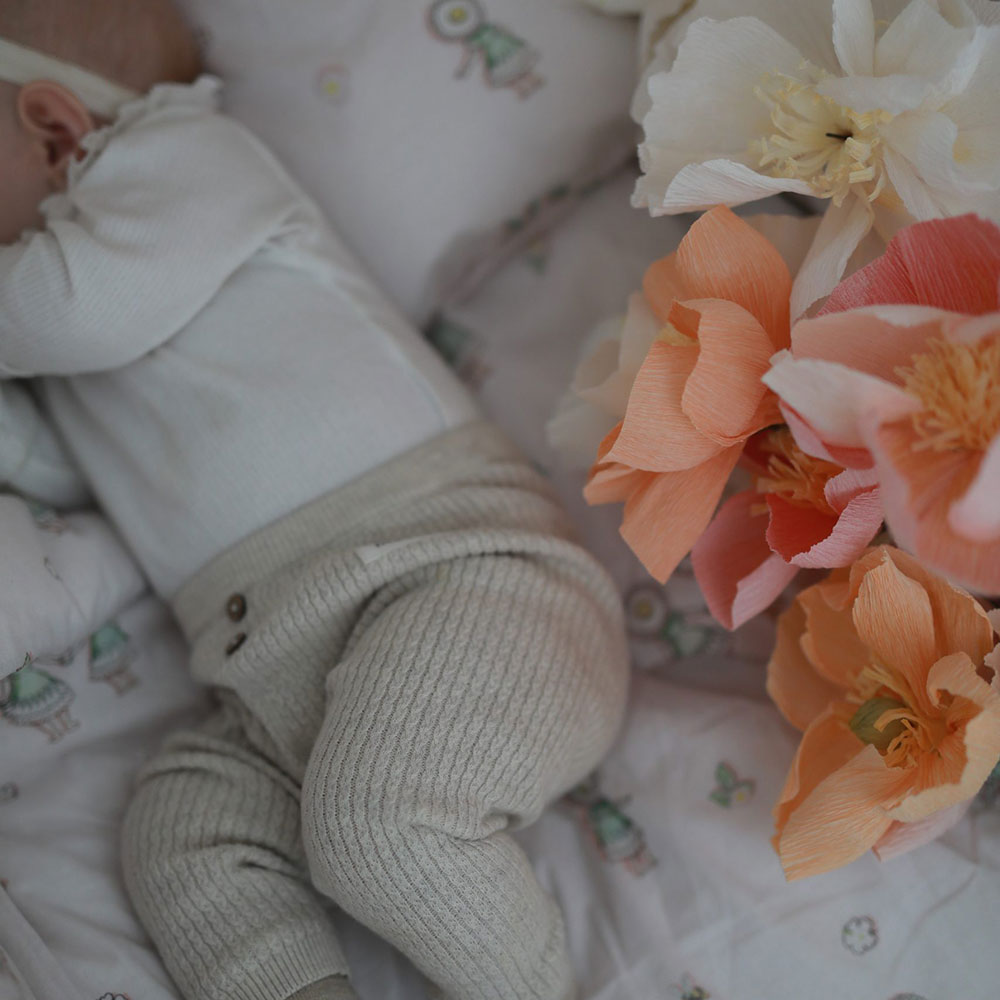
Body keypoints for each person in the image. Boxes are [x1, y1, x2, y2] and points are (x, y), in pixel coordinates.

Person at [0, 2, 630, 999]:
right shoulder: (58, 316)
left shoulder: (182, 161)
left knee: (377, 826)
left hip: (467, 580)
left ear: (54, 124)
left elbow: (76, 311)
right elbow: (69, 467)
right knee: (183, 836)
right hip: (275, 684)